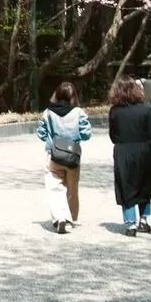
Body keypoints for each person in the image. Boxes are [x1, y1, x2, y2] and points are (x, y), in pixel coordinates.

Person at [109, 75, 151, 237]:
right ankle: (144, 220)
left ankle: (130, 223)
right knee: (144, 184)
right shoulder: (145, 110)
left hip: (123, 150)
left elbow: (113, 135)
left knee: (126, 185)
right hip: (144, 150)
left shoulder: (115, 111)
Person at [36, 81, 92, 234]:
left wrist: (51, 139)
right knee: (72, 189)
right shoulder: (78, 112)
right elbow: (86, 133)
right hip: (73, 156)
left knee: (55, 187)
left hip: (53, 155)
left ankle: (60, 217)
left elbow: (40, 133)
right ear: (73, 96)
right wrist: (75, 137)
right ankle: (69, 218)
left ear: (57, 94)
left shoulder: (48, 112)